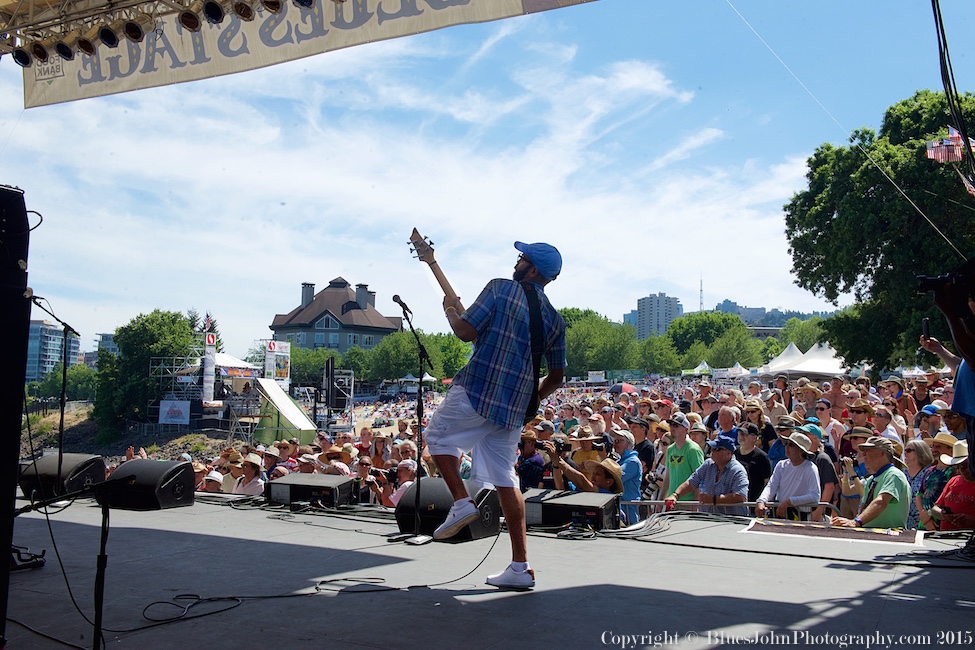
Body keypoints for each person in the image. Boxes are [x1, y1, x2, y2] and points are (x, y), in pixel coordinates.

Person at [425, 240, 566, 590]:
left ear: (533, 269)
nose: (516, 262)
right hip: (514, 410)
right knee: (506, 479)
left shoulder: (500, 289)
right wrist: (532, 397)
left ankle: (462, 503)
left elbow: (464, 332)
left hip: (477, 389)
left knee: (437, 438)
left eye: (522, 258)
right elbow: (557, 377)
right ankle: (520, 567)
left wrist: (450, 310)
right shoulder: (555, 320)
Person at [832, 437, 911, 529]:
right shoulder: (871, 479)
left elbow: (881, 501)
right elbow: (862, 508)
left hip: (889, 535)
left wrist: (856, 522)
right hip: (871, 533)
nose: (864, 454)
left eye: (868, 450)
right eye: (864, 450)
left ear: (882, 453)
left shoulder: (893, 475)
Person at [664, 436, 748, 516]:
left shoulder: (738, 471)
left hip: (732, 521)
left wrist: (714, 500)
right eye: (712, 448)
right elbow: (691, 482)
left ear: (728, 453)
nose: (712, 451)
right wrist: (675, 495)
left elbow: (740, 496)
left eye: (716, 449)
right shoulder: (708, 464)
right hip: (708, 519)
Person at [756, 432, 821, 520]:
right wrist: (761, 501)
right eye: (786, 443)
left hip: (799, 517)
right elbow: (771, 486)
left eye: (791, 445)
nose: (786, 447)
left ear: (801, 450)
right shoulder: (781, 465)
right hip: (779, 513)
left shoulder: (810, 468)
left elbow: (815, 496)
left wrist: (790, 501)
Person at [661, 412, 704, 503]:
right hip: (672, 501)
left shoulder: (693, 449)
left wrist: (695, 505)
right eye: (671, 425)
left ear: (686, 429)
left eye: (676, 425)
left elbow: (700, 478)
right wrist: (660, 501)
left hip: (687, 502)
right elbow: (667, 478)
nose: (672, 428)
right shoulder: (670, 449)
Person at [933, 441, 975, 530]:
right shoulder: (953, 481)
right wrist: (943, 515)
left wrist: (971, 520)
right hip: (946, 535)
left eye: (965, 466)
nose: (961, 470)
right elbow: (935, 508)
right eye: (957, 466)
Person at [735, 422, 772, 508]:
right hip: (735, 503)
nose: (741, 436)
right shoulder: (733, 453)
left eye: (744, 434)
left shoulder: (761, 457)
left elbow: (767, 483)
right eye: (740, 434)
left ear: (754, 438)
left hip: (753, 504)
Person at [903, 438, 935, 529]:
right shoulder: (902, 473)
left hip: (923, 524)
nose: (904, 453)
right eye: (905, 450)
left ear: (920, 452)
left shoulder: (930, 473)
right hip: (903, 525)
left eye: (908, 450)